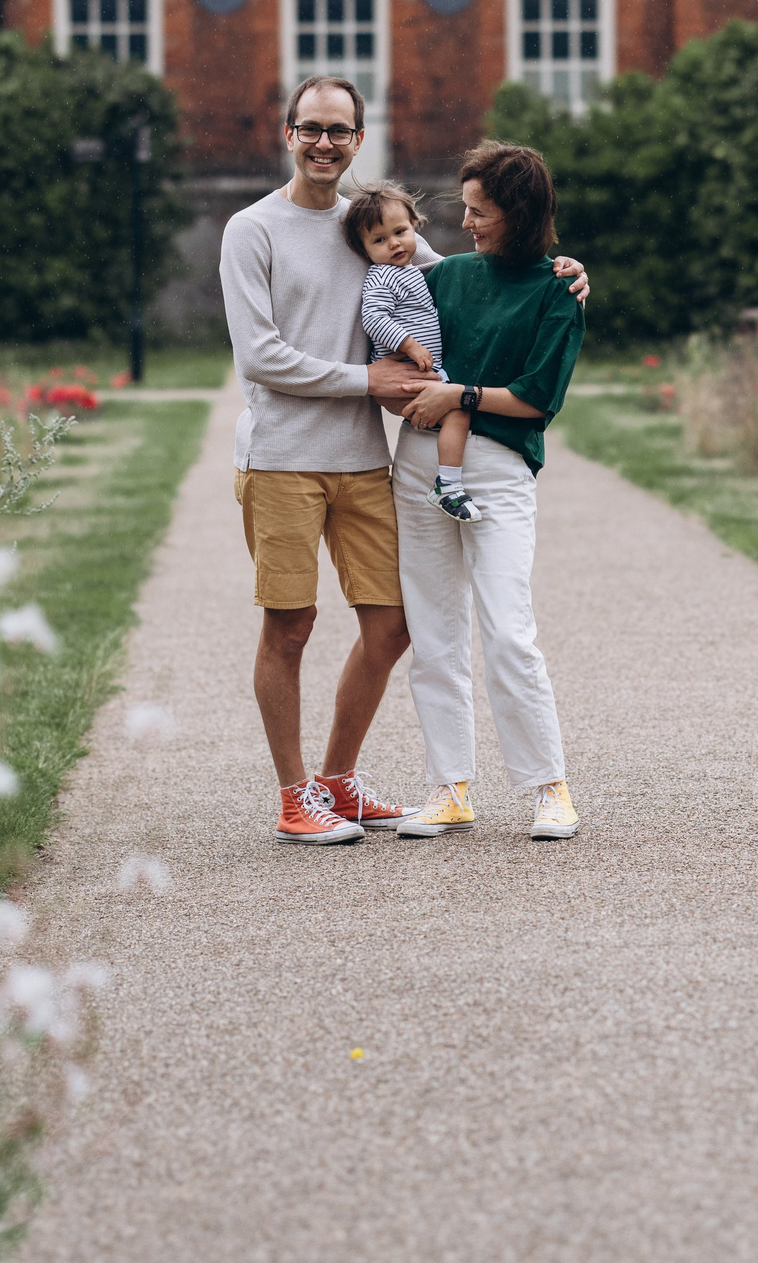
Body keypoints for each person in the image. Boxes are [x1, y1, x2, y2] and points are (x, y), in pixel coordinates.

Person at [219, 78, 585, 847]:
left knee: (396, 629)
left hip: (363, 463)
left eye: (340, 131)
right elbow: (259, 356)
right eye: (311, 128)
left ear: (359, 139)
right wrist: (373, 379)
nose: (325, 142)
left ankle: (341, 782)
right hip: (284, 458)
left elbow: (476, 277)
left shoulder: (375, 223)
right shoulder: (250, 230)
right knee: (292, 628)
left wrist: (567, 272)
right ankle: (303, 797)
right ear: (288, 132)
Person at [392, 142, 587, 842]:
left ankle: (549, 788)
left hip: (500, 473)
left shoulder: (559, 291)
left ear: (521, 212)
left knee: (509, 631)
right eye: (464, 209)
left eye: (481, 212)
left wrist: (461, 393)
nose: (466, 222)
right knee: (435, 635)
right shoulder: (447, 279)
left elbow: (538, 398)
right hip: (417, 468)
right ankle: (449, 788)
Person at [344, 182, 483, 523]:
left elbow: (460, 270)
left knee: (452, 412)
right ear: (364, 249)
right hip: (402, 373)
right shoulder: (381, 277)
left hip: (418, 372)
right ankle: (448, 487)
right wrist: (409, 345)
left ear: (415, 227)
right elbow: (374, 319)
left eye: (400, 232)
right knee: (458, 411)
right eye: (379, 240)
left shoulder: (409, 271)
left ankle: (442, 477)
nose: (393, 244)